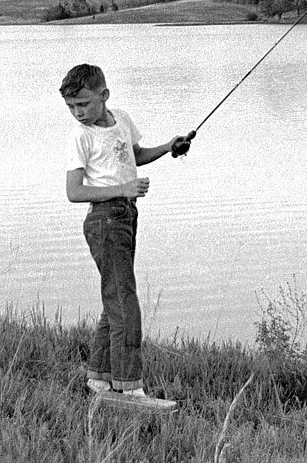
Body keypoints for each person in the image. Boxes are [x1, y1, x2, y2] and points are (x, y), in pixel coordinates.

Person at [59, 64, 188, 398]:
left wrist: (168, 147)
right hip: (104, 221)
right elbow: (74, 192)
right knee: (124, 302)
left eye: (84, 104)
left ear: (104, 96)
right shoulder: (79, 137)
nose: (79, 113)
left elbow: (135, 156)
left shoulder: (122, 120)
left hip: (126, 215)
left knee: (115, 297)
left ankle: (98, 378)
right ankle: (129, 388)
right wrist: (123, 189)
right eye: (72, 107)